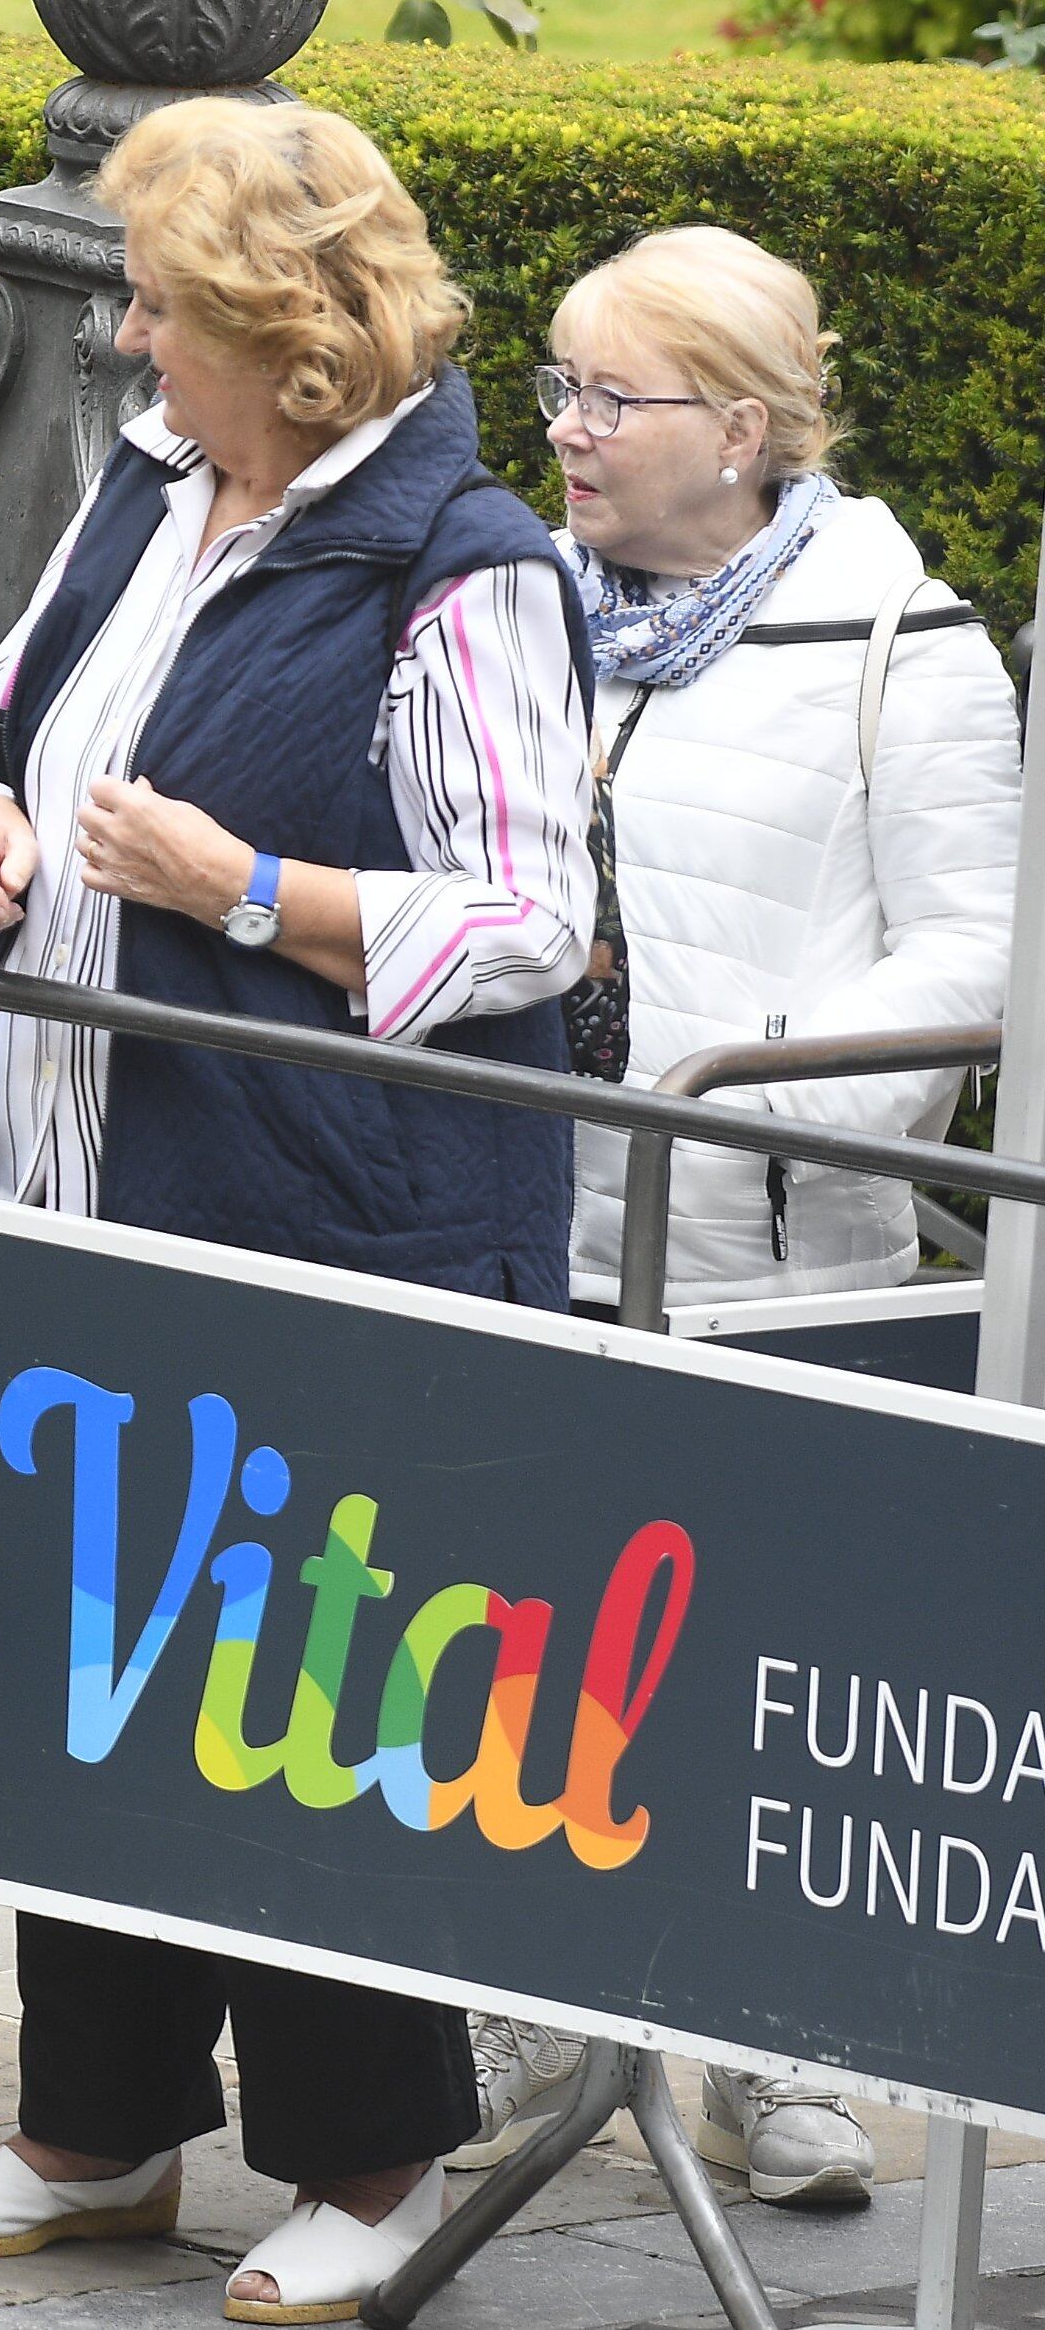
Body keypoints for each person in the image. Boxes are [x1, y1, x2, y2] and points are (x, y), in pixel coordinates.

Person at [0, 97, 592, 2320]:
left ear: (289, 335)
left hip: (318, 1222)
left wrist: (247, 890)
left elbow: (531, 921)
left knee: (294, 1684)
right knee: (80, 1657)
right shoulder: (154, 487)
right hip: (70, 1180)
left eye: (158, 311)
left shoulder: (459, 560)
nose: (122, 343)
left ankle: (371, 2162)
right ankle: (94, 2129)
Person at [456, 226, 1017, 2207]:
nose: (568, 432)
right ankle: (536, 2037)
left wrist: (748, 1097)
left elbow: (969, 958)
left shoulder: (898, 645)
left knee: (756, 1652)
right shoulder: (510, 612)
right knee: (523, 1620)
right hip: (525, 1212)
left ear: (746, 426)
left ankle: (770, 2063)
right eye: (555, 388)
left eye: (613, 397)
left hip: (771, 1257)